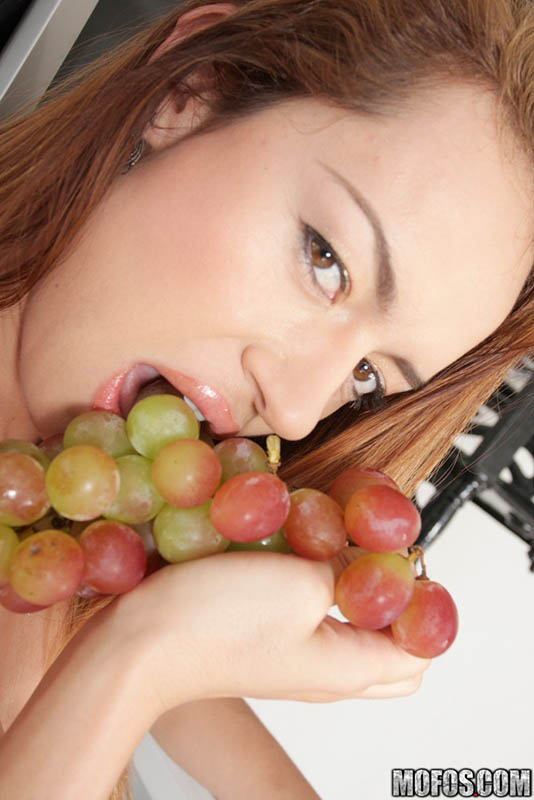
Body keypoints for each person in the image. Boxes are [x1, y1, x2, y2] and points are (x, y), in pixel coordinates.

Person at [0, 0, 533, 797]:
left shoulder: (78, 521)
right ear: (189, 90)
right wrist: (138, 664)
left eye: (368, 375)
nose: (295, 410)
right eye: (326, 260)